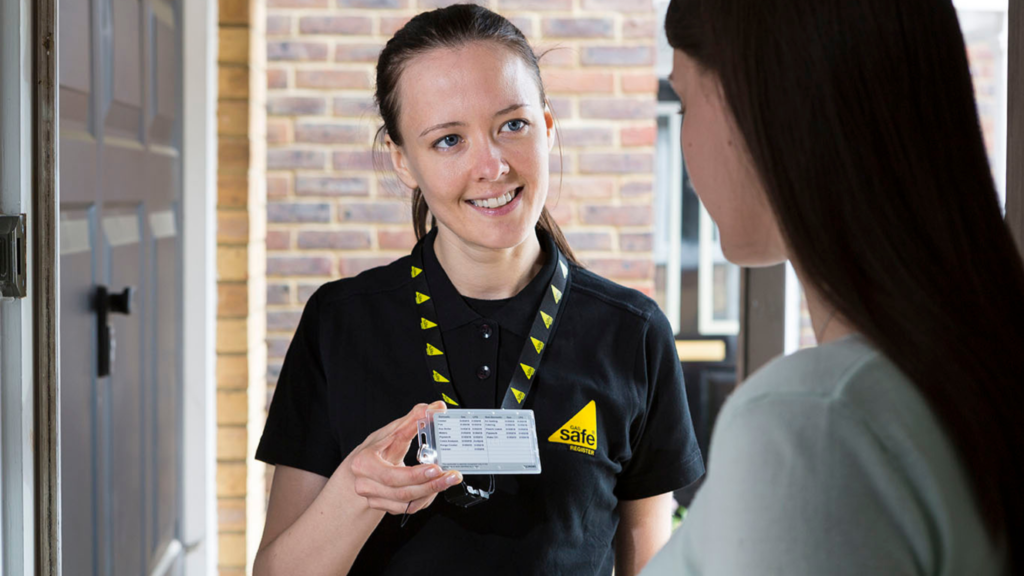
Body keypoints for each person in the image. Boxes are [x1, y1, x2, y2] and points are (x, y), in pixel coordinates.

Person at [252, 5, 704, 576]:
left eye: (512, 125)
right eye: (447, 141)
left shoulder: (633, 332)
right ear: (402, 160)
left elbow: (649, 562)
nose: (491, 166)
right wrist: (357, 492)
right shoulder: (338, 322)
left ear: (547, 126)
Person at [643, 0, 1024, 574]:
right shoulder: (976, 370)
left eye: (685, 101)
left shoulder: (813, 424)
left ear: (754, 106)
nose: (684, 141)